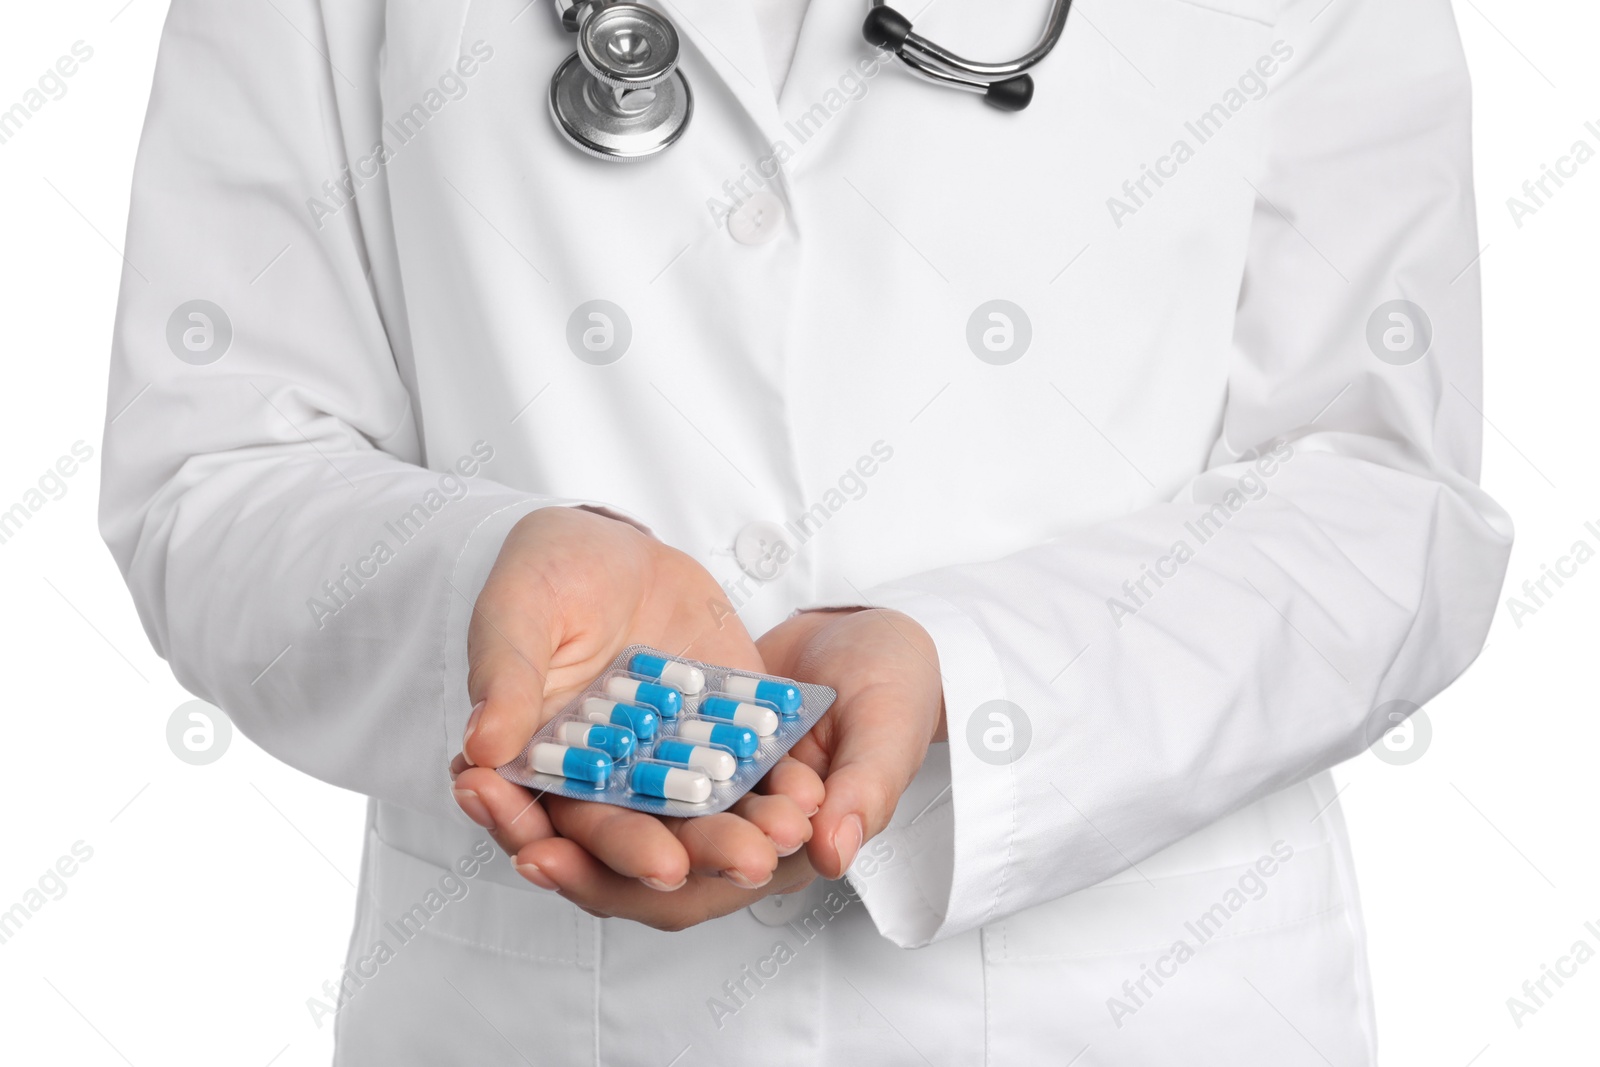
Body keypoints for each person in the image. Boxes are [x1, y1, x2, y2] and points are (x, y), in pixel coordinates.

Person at [101, 0, 1511, 1062]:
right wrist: (486, 589)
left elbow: (1388, 504)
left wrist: (978, 674)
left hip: (1141, 1005)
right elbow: (218, 466)